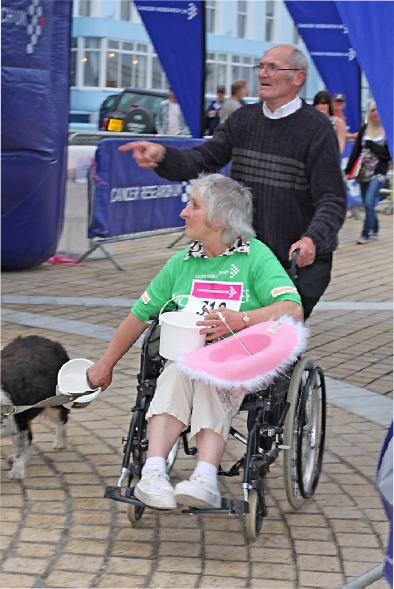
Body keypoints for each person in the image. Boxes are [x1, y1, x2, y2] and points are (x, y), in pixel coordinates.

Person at [87, 174, 303, 510]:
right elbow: (139, 316)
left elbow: (292, 309)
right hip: (185, 360)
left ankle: (205, 477)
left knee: (207, 377)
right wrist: (105, 365)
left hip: (237, 363)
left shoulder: (256, 258)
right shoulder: (181, 263)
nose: (183, 213)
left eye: (194, 206)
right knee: (177, 371)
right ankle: (154, 472)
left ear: (219, 220)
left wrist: (243, 319)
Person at [119, 44, 347, 321]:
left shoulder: (317, 128)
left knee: (275, 341)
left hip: (295, 259)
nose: (262, 73)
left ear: (297, 77)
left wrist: (313, 239)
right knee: (231, 339)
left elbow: (332, 198)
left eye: (272, 68)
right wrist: (163, 156)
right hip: (244, 257)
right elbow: (204, 157)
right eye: (260, 67)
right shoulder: (243, 119)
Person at [345, 101, 391, 244]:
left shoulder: (388, 131)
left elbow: (387, 155)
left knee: (370, 202)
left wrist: (373, 147)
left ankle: (365, 233)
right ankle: (375, 226)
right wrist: (348, 169)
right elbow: (356, 151)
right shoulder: (364, 129)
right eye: (372, 110)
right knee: (367, 203)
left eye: (377, 110)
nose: (375, 113)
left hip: (378, 171)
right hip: (362, 170)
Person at [313, 90, 347, 155]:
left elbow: (340, 145)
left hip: (330, 157)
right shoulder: (310, 122)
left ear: (329, 105)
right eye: (317, 103)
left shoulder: (338, 122)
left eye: (323, 103)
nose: (320, 106)